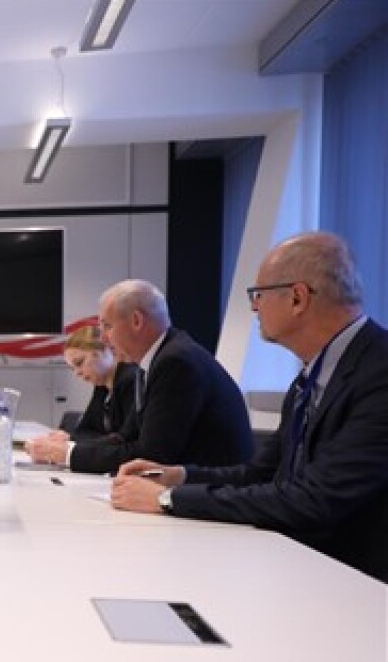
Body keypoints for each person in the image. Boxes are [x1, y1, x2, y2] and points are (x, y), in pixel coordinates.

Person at [112, 232, 388, 582]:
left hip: (357, 586)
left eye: (259, 294)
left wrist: (167, 499)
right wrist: (177, 476)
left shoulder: (378, 373)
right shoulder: (312, 375)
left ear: (297, 298)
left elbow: (315, 499)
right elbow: (260, 474)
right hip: (299, 564)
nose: (254, 307)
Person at [27, 280, 253, 474]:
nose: (103, 339)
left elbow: (151, 455)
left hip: (210, 495)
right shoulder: (156, 360)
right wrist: (69, 449)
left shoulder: (176, 362)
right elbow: (126, 437)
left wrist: (69, 455)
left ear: (136, 321)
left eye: (107, 327)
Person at [30, 326, 139, 450]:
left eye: (79, 363)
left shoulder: (131, 381)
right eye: (73, 368)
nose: (77, 373)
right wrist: (70, 438)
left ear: (104, 351)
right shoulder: (102, 387)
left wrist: (72, 443)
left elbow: (123, 440)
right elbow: (84, 431)